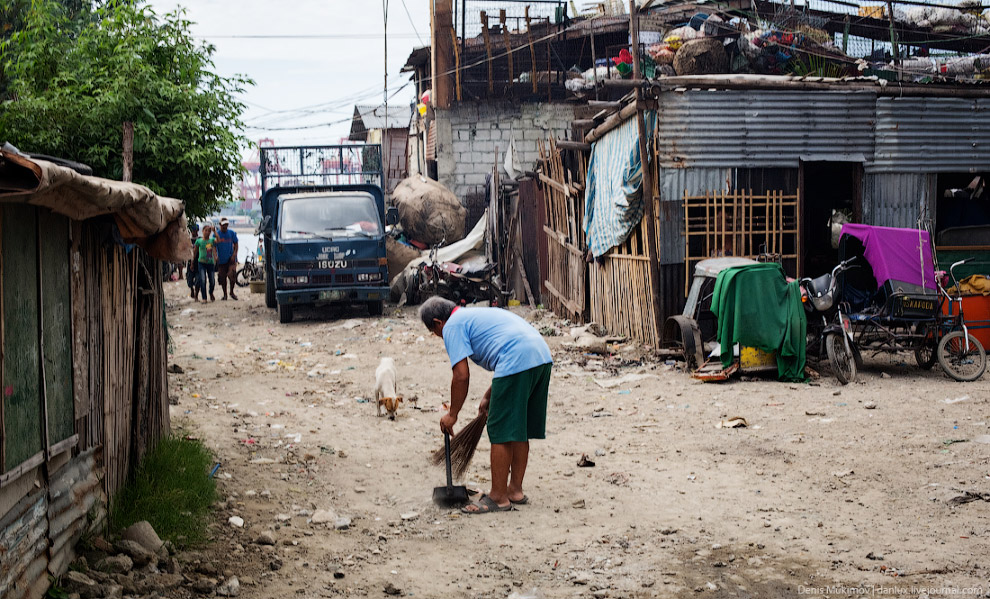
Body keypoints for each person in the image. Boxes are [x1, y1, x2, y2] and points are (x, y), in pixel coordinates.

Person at [419, 296, 553, 514]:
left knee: (500, 430)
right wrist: (490, 395)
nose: (438, 336)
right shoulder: (472, 316)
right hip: (541, 357)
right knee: (519, 427)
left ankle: (498, 498)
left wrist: (452, 414)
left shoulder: (452, 326)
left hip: (517, 360)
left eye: (434, 332)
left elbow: (461, 376)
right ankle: (514, 490)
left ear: (437, 323)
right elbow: (505, 347)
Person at [215, 217, 239, 300]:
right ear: (220, 225)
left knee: (232, 275)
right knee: (222, 277)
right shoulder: (216, 234)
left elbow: (236, 244)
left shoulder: (231, 233)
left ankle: (231, 292)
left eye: (226, 225)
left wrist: (234, 254)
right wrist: (215, 256)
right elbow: (213, 246)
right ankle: (225, 294)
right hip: (221, 259)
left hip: (231, 258)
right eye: (223, 225)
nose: (225, 227)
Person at [194, 224, 217, 302]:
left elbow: (219, 240)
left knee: (212, 281)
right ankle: (204, 297)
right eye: (205, 230)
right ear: (202, 231)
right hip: (201, 263)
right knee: (203, 280)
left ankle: (211, 292)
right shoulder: (199, 241)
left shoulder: (212, 240)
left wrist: (215, 231)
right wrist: (192, 262)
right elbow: (195, 252)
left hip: (210, 263)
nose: (207, 232)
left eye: (209, 231)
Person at [186, 223, 201, 300]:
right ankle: (192, 290)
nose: (193, 232)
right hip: (190, 262)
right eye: (192, 230)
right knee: (189, 279)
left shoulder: (200, 239)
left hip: (199, 261)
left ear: (197, 230)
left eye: (195, 230)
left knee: (198, 279)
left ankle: (196, 295)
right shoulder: (189, 240)